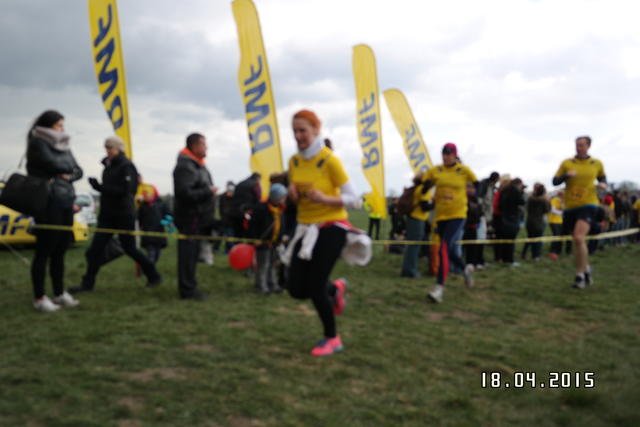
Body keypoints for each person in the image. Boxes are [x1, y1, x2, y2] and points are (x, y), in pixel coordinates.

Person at [285, 109, 359, 356]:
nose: (298, 136)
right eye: (294, 131)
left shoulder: (329, 160)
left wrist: (325, 199)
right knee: (296, 288)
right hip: (305, 228)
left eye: (302, 130)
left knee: (315, 286)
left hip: (331, 227)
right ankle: (334, 290)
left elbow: (353, 199)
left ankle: (332, 338)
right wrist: (293, 195)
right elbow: (297, 195)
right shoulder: (294, 162)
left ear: (316, 130)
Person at [71, 136, 162, 294]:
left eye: (110, 148)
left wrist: (101, 187)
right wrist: (98, 187)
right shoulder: (108, 166)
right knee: (95, 250)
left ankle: (154, 275)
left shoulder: (127, 166)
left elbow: (127, 191)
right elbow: (111, 189)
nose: (107, 151)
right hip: (107, 214)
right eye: (106, 148)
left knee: (130, 248)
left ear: (119, 149)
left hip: (123, 214)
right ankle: (87, 284)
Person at [26, 110, 83, 312]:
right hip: (48, 201)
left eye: (62, 125)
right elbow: (52, 164)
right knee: (45, 249)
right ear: (48, 125)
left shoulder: (64, 144)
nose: (62, 129)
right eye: (58, 125)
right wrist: (66, 170)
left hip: (66, 200)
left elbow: (78, 171)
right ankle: (39, 297)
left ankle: (59, 293)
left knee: (60, 249)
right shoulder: (37, 142)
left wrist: (66, 173)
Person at [420, 143, 478, 303]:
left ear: (454, 155)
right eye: (443, 154)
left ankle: (439, 288)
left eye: (448, 154)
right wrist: (425, 186)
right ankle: (465, 269)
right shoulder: (436, 170)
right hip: (441, 216)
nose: (445, 157)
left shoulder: (463, 170)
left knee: (443, 248)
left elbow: (477, 185)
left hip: (458, 214)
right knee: (449, 250)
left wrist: (474, 197)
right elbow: (425, 185)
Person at [552, 135, 607, 289]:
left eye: (582, 145)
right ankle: (586, 269)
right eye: (577, 145)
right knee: (578, 241)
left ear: (588, 146)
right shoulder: (567, 163)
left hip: (589, 204)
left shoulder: (596, 163)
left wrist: (603, 185)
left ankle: (579, 276)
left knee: (578, 237)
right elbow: (554, 181)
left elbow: (603, 179)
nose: (578, 148)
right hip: (570, 206)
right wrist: (566, 175)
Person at [173, 133, 217, 300]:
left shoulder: (197, 165)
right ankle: (187, 290)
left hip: (198, 217)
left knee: (193, 255)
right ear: (194, 146)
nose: (206, 148)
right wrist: (208, 191)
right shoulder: (186, 166)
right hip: (190, 218)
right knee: (188, 255)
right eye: (204, 144)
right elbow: (185, 193)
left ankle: (190, 287)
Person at [248, 183, 288, 294]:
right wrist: (255, 238)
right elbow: (252, 225)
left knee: (273, 264)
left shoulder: (280, 209)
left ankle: (272, 284)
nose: (285, 199)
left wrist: (282, 236)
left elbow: (281, 224)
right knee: (263, 265)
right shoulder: (261, 208)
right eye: (283, 196)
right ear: (277, 197)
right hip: (263, 242)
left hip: (275, 242)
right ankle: (261, 286)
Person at [401, 174, 433, 277]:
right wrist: (436, 203)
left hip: (413, 218)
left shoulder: (416, 188)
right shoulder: (423, 189)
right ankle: (410, 271)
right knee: (414, 246)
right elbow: (425, 207)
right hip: (417, 219)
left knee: (412, 245)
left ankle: (407, 269)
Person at [137, 184, 170, 265]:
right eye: (145, 195)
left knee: (157, 254)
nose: (147, 196)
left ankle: (149, 267)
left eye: (148, 194)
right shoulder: (142, 206)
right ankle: (150, 269)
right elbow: (138, 219)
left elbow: (168, 215)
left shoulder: (161, 204)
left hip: (159, 234)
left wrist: (168, 222)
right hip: (147, 235)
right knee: (151, 254)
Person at [497, 177, 526, 265]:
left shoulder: (503, 191)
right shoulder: (515, 191)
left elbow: (500, 205)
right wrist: (521, 192)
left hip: (504, 217)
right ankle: (510, 260)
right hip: (513, 217)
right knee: (511, 240)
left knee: (505, 240)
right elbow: (522, 202)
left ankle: (503, 258)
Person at [476, 171, 499, 268]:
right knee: (480, 239)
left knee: (482, 238)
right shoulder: (484, 185)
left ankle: (480, 260)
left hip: (486, 216)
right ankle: (478, 261)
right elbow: (481, 200)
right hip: (481, 216)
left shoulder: (491, 186)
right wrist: (481, 212)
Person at [521, 183, 550, 261]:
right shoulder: (543, 200)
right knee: (537, 239)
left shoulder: (530, 199)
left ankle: (524, 253)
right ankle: (535, 256)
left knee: (529, 238)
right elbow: (547, 210)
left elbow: (527, 208)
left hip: (529, 221)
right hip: (539, 222)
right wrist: (548, 202)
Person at [230, 172, 261, 241]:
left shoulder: (240, 183)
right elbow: (258, 198)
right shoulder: (255, 185)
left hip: (235, 213)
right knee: (249, 235)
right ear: (258, 179)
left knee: (237, 236)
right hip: (248, 212)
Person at [463, 183, 483, 268]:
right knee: (462, 246)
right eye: (468, 187)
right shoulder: (463, 199)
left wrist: (478, 221)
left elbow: (479, 211)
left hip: (474, 226)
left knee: (472, 246)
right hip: (464, 226)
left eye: (472, 188)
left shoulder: (476, 199)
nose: (471, 190)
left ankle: (471, 263)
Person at [217, 181, 235, 253]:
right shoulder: (223, 196)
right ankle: (216, 248)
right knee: (221, 234)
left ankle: (228, 250)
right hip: (224, 219)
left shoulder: (234, 196)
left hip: (230, 220)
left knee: (229, 235)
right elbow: (221, 208)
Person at [548, 191, 565, 259]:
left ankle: (558, 251)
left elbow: (563, 208)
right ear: (560, 195)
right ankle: (552, 251)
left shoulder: (562, 201)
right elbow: (553, 210)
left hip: (560, 221)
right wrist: (562, 213)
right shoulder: (554, 200)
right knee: (556, 235)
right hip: (553, 221)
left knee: (560, 236)